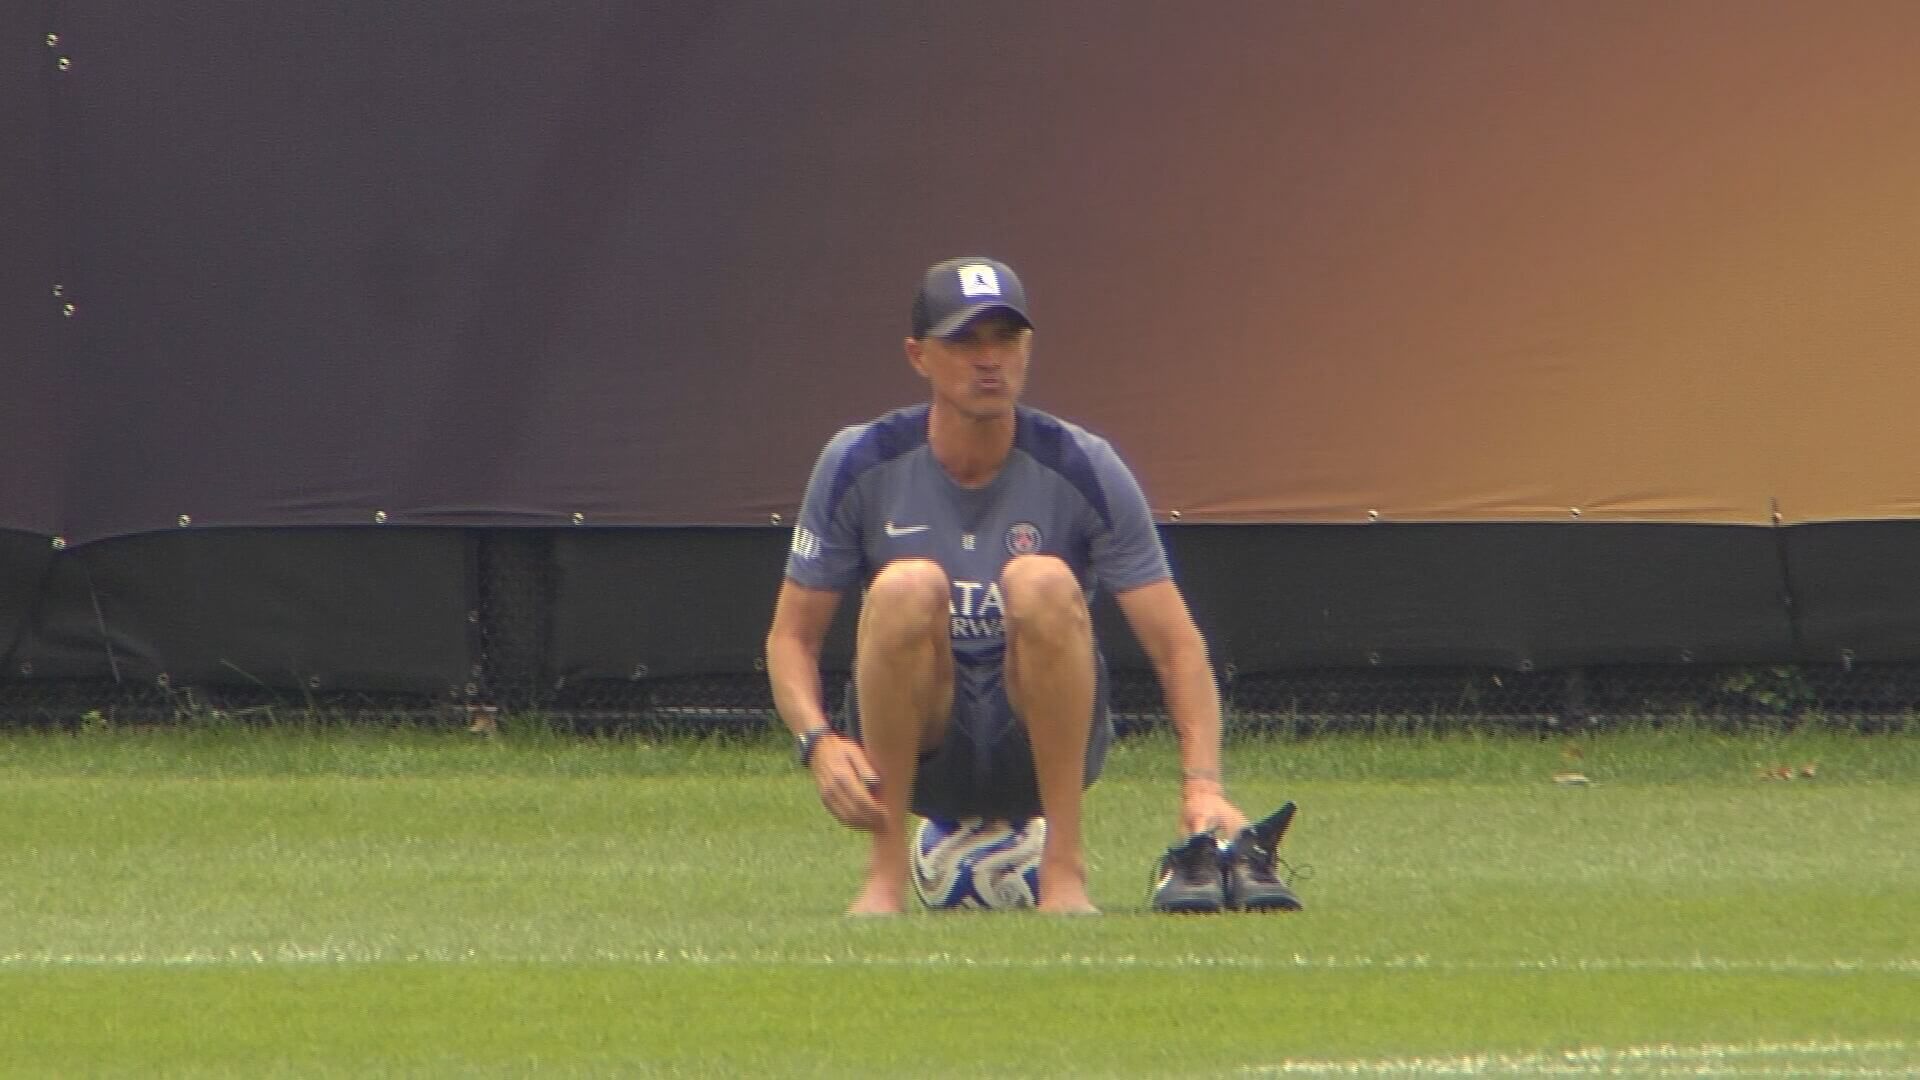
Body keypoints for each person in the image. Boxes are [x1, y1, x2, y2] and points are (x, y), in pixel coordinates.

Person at [764, 256, 1257, 915]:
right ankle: (881, 880)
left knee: (1043, 581)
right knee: (905, 586)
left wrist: (1203, 786)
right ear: (918, 356)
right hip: (922, 739)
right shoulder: (861, 460)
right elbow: (790, 638)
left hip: (1041, 738)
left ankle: (1065, 874)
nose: (988, 359)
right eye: (965, 341)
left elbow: (1177, 647)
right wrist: (818, 743)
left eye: (1005, 339)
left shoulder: (1083, 465)